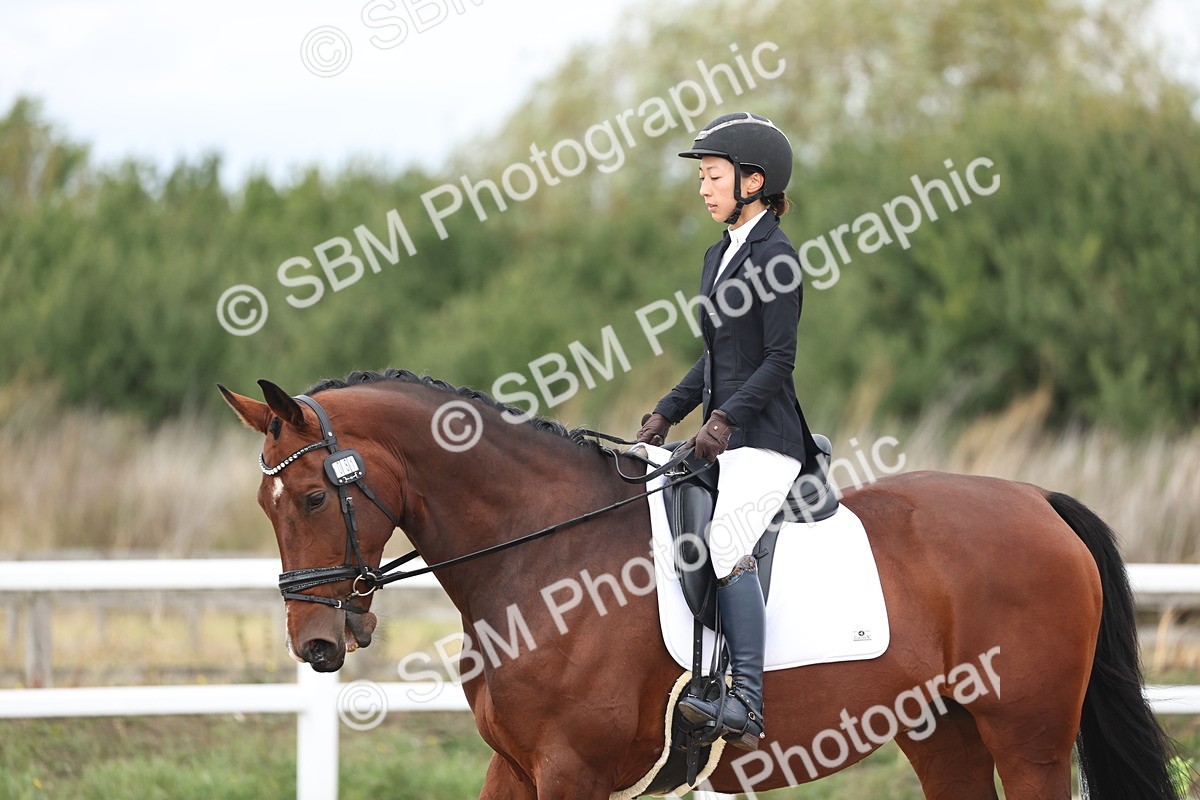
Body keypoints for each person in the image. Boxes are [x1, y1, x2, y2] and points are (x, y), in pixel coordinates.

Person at [636, 111, 819, 752]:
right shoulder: (719, 254)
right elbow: (717, 357)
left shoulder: (777, 258)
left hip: (766, 440)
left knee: (726, 539)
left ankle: (746, 698)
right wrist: (667, 412)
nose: (705, 188)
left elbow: (777, 362)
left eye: (714, 176)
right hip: (724, 436)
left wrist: (724, 421)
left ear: (754, 181)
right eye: (704, 178)